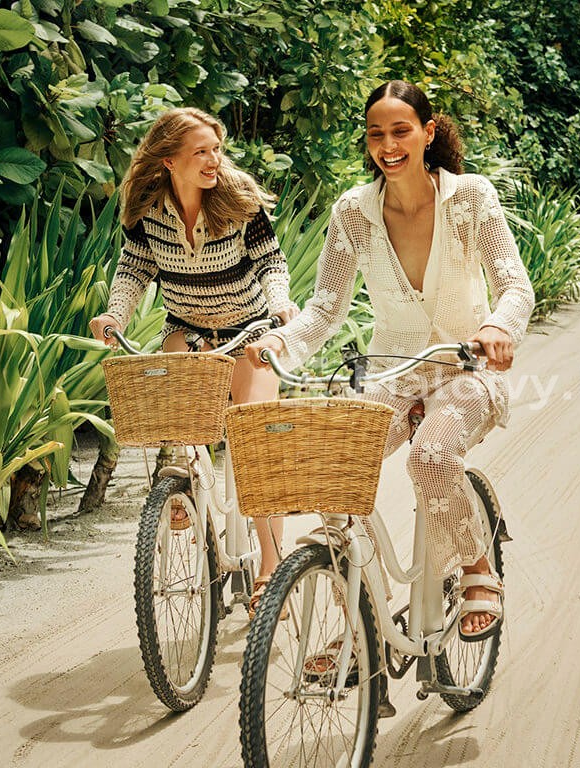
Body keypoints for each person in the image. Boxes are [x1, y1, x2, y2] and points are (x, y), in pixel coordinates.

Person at [247, 80, 535, 641]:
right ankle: (365, 624)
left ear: (428, 133)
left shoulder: (471, 197)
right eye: (376, 134)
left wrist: (499, 327)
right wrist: (283, 342)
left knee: (430, 456)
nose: (388, 145)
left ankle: (476, 567)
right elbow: (325, 308)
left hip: (467, 369)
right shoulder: (353, 212)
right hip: (393, 372)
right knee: (334, 464)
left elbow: (514, 284)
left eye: (401, 131)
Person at [89, 107, 299, 617]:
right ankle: (182, 483)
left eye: (216, 150)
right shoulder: (148, 210)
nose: (213, 160)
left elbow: (271, 261)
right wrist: (114, 315)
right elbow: (133, 271)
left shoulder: (238, 200)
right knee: (178, 417)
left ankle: (271, 568)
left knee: (255, 446)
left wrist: (280, 305)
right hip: (187, 330)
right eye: (200, 152)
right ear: (169, 161)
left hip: (248, 331)